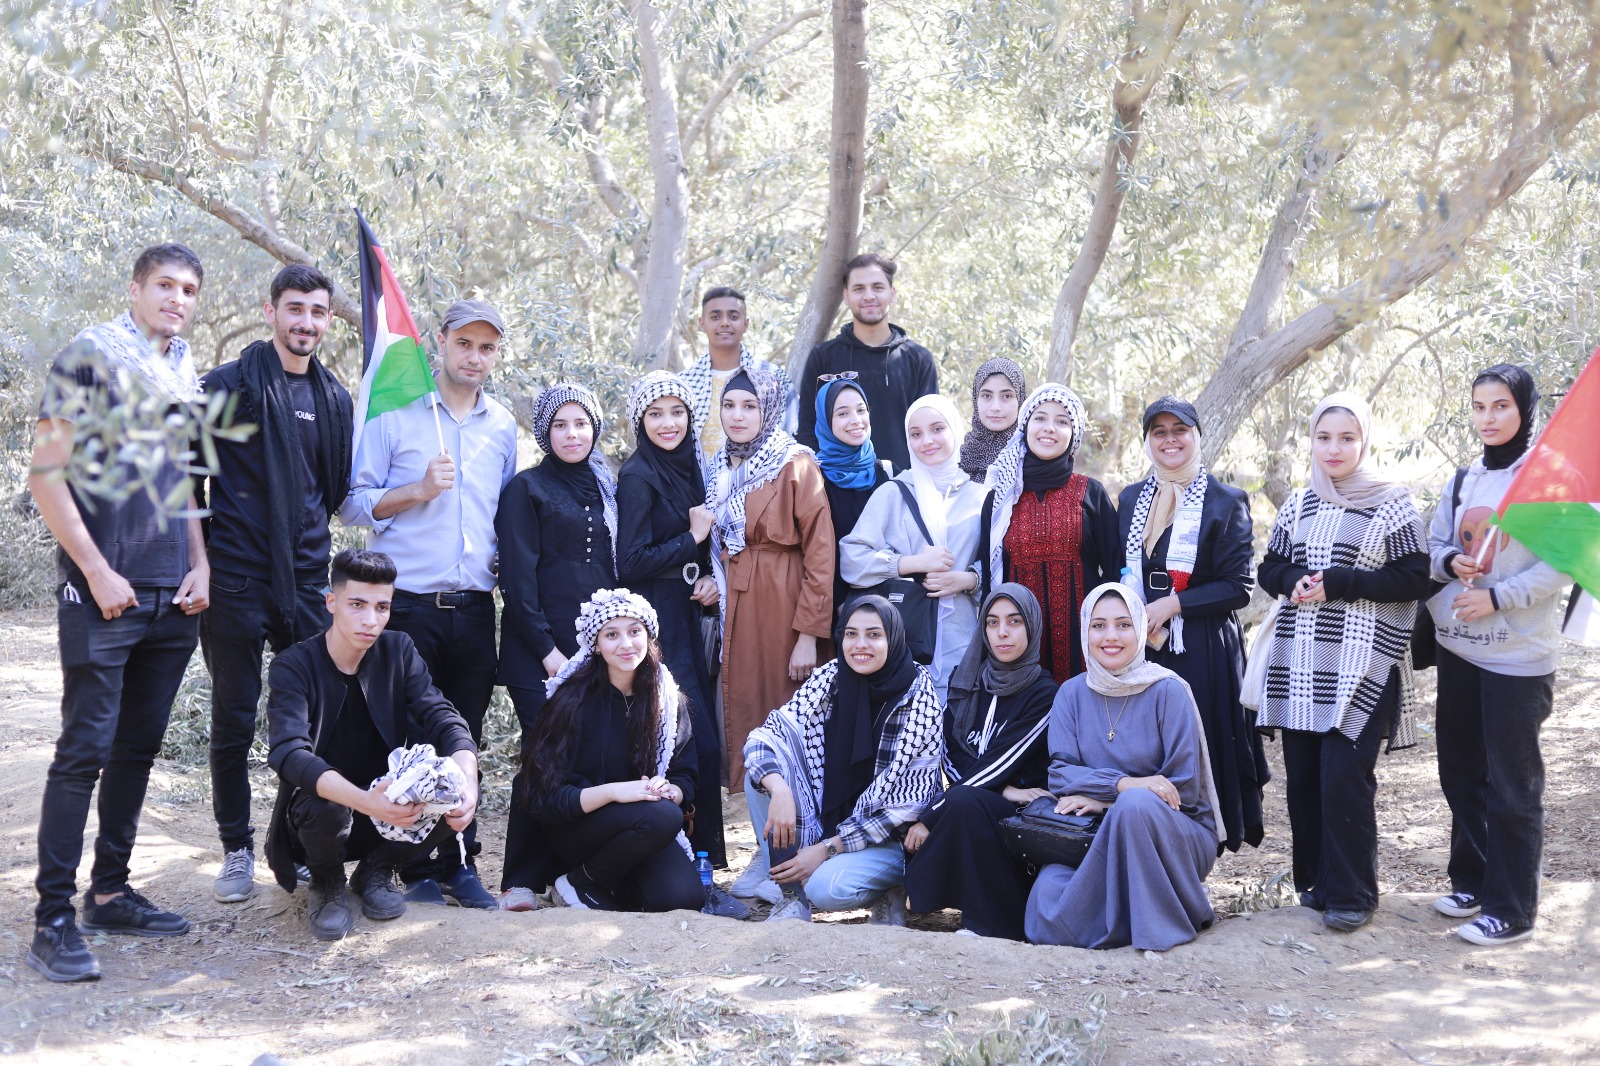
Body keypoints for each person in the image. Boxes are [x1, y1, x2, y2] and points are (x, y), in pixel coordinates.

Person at [25, 243, 212, 983]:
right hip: (103, 593)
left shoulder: (185, 371)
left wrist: (199, 562)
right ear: (134, 289)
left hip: (173, 595)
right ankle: (52, 920)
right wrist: (96, 570)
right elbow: (47, 475)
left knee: (136, 751)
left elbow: (186, 479)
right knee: (84, 753)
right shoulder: (88, 357)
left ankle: (109, 893)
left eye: (189, 289)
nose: (176, 299)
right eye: (164, 285)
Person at [339, 299, 517, 909]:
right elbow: (354, 503)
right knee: (410, 739)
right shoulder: (396, 412)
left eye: (486, 347)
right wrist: (416, 490)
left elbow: (505, 515)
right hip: (409, 606)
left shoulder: (503, 425)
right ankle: (408, 867)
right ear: (440, 342)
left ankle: (458, 863)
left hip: (474, 608)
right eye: (464, 343)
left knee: (463, 737)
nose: (474, 357)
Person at [200, 263, 354, 906]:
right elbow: (189, 480)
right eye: (295, 308)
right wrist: (198, 564)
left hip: (308, 582)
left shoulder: (334, 399)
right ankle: (236, 848)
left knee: (312, 722)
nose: (306, 323)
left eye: (317, 312)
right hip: (235, 580)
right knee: (235, 718)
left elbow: (334, 488)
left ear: (328, 320)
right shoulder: (227, 386)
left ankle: (297, 841)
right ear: (271, 312)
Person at [1256, 392, 1429, 933]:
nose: (1334, 449)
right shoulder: (1300, 502)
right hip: (1301, 661)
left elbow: (1414, 578)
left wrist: (1342, 582)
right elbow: (1270, 567)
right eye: (1324, 437)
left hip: (1363, 662)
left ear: (1365, 442)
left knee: (1345, 778)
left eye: (1347, 438)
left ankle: (1354, 895)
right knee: (1305, 780)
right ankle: (1317, 886)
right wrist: (1292, 579)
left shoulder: (1392, 502)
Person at [262, 549, 480, 941]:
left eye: (382, 607)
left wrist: (469, 778)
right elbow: (288, 753)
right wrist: (365, 801)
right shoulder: (293, 665)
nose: (371, 620)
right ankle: (327, 882)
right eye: (357, 605)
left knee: (452, 784)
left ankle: (376, 871)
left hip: (389, 811)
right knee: (327, 804)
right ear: (331, 602)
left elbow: (442, 716)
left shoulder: (399, 650)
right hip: (317, 820)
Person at [1425, 364, 1567, 946]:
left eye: (1501, 405)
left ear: (1524, 409)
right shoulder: (1464, 479)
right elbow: (1434, 543)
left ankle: (1512, 909)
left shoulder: (1547, 480)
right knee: (1461, 769)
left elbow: (1562, 564)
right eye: (1480, 406)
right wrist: (1449, 563)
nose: (1488, 418)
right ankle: (1474, 881)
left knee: (1513, 785)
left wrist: (1499, 596)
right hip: (1459, 647)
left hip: (1518, 656)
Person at [1023, 584, 1224, 951]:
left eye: (1123, 624)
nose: (1110, 636)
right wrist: (1123, 786)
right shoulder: (1071, 693)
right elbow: (1061, 776)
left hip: (1176, 833)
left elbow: (1181, 789)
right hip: (1097, 834)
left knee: (1135, 806)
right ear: (1085, 631)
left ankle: (1157, 926)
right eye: (1098, 626)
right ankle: (1128, 916)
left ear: (1141, 629)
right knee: (1049, 889)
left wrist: (1109, 801)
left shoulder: (1168, 691)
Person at [706, 365, 836, 904]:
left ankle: (787, 856)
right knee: (750, 723)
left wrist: (807, 634)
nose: (738, 416)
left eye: (750, 406)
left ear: (770, 409)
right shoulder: (721, 466)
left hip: (782, 607)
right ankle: (767, 852)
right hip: (739, 608)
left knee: (785, 727)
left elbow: (821, 550)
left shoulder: (794, 462)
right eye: (730, 405)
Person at [1118, 396, 1269, 854]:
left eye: (1179, 430)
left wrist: (1174, 605)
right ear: (1148, 441)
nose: (1170, 440)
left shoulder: (1225, 501)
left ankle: (1202, 847)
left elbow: (1238, 586)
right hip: (1145, 647)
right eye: (1159, 432)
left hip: (1202, 647)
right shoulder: (1130, 500)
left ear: (1197, 436)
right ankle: (1153, 847)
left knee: (1201, 747)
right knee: (1148, 746)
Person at [742, 595, 945, 924]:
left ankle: (889, 887)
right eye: (851, 634)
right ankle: (792, 895)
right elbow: (767, 736)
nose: (860, 644)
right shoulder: (831, 678)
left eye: (873, 634)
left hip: (891, 839)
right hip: (829, 822)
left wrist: (826, 850)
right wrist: (779, 790)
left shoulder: (919, 699)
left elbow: (904, 810)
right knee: (761, 778)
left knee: (826, 889)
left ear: (893, 638)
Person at [496, 383, 619, 904]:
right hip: (537, 650)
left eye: (582, 424)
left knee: (584, 758)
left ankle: (571, 874)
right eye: (561, 425)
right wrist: (548, 651)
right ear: (545, 433)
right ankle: (521, 879)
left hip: (595, 649)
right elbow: (517, 581)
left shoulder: (607, 487)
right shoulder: (526, 489)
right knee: (542, 753)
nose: (573, 434)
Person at [515, 588, 704, 913]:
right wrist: (616, 792)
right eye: (612, 634)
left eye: (635, 632)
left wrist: (670, 790)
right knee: (662, 815)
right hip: (576, 828)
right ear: (596, 645)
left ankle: (603, 882)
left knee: (682, 899)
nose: (626, 644)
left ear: (649, 636)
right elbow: (541, 796)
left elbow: (684, 775)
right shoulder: (570, 700)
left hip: (643, 826)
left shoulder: (667, 699)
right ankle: (580, 882)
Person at [616, 371, 727, 872]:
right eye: (656, 413)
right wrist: (692, 538)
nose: (668, 423)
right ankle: (684, 858)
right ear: (640, 420)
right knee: (686, 737)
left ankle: (704, 858)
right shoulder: (638, 476)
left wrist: (706, 577)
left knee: (700, 740)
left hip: (688, 611)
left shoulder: (691, 466)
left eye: (677, 412)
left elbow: (697, 551)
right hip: (656, 621)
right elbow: (631, 561)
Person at [902, 583, 1057, 940]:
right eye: (992, 622)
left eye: (1014, 621)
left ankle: (990, 925)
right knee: (957, 802)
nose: (1002, 632)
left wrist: (933, 814)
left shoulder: (1045, 694)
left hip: (1024, 813)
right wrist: (1000, 790)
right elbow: (949, 749)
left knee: (963, 804)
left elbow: (1003, 760)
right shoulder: (969, 678)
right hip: (983, 796)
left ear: (1032, 626)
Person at [841, 394, 986, 699]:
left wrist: (968, 580)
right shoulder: (893, 493)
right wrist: (910, 563)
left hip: (963, 641)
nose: (927, 441)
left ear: (955, 430)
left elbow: (1000, 566)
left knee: (956, 719)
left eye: (937, 429)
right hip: (903, 643)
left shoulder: (980, 497)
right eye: (916, 434)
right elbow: (851, 560)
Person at [981, 383, 1120, 682]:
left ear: (1074, 434)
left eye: (1062, 421)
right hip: (1018, 641)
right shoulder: (1001, 497)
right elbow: (989, 574)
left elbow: (1115, 571)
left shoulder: (1091, 492)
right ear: (1025, 426)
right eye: (1040, 418)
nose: (1049, 428)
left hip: (1084, 643)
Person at [796, 254, 938, 473]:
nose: (869, 296)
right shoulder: (823, 357)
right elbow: (808, 429)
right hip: (838, 484)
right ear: (846, 296)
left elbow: (930, 430)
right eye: (859, 288)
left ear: (892, 293)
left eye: (878, 287)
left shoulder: (918, 359)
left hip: (904, 483)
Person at [680, 286, 796, 457]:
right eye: (715, 317)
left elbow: (791, 436)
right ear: (702, 324)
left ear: (746, 324)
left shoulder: (773, 378)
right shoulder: (684, 383)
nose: (725, 323)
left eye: (733, 317)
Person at [813, 375, 891, 617]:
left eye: (861, 410)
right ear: (826, 420)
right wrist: (838, 604)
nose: (856, 420)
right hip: (834, 612)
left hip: (888, 607)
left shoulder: (887, 473)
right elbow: (812, 554)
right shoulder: (813, 479)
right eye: (843, 413)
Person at [958, 358, 1027, 481]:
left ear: (1020, 400)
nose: (996, 407)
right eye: (986, 396)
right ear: (976, 399)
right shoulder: (958, 458)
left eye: (1007, 396)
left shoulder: (1032, 457)